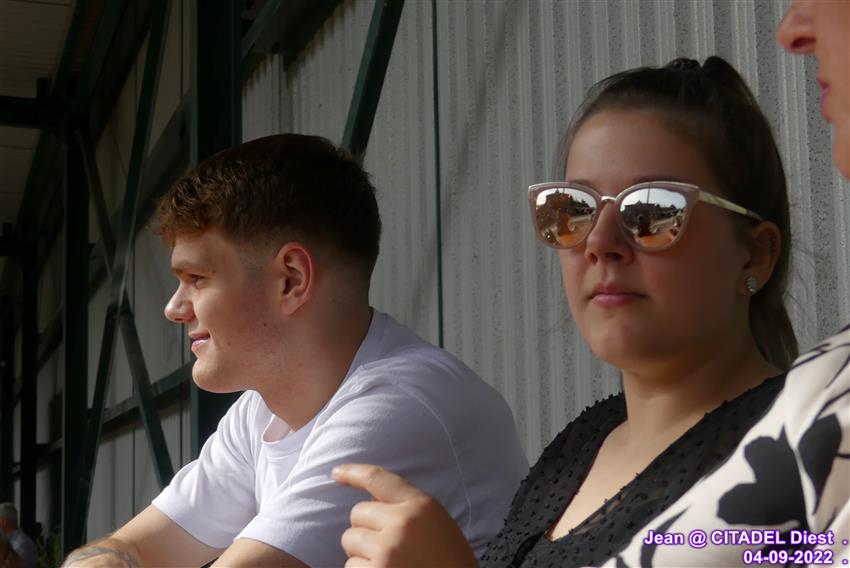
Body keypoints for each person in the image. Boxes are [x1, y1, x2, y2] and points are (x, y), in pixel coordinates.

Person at [333, 45, 850, 568]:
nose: (600, 243)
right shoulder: (578, 448)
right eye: (572, 210)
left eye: (652, 210)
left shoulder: (813, 450)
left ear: (755, 253)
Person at [62, 134, 527, 567]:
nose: (174, 308)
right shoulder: (260, 414)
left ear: (291, 279)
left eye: (196, 279)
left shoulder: (398, 405)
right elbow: (133, 547)